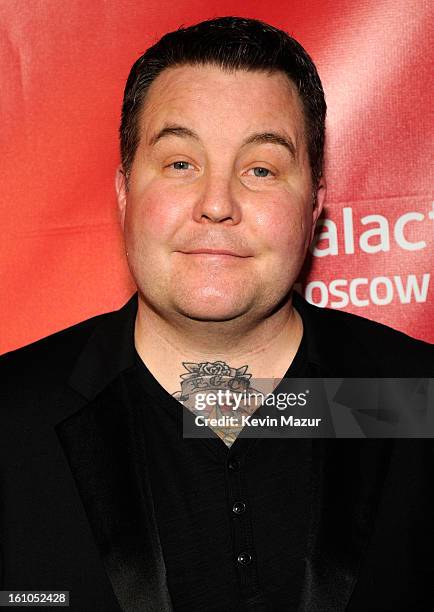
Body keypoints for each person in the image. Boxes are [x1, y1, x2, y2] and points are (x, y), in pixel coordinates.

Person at [1, 16, 433, 612]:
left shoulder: (416, 400)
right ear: (125, 193)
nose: (217, 204)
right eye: (181, 163)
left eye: (260, 169)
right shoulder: (11, 416)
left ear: (314, 207)